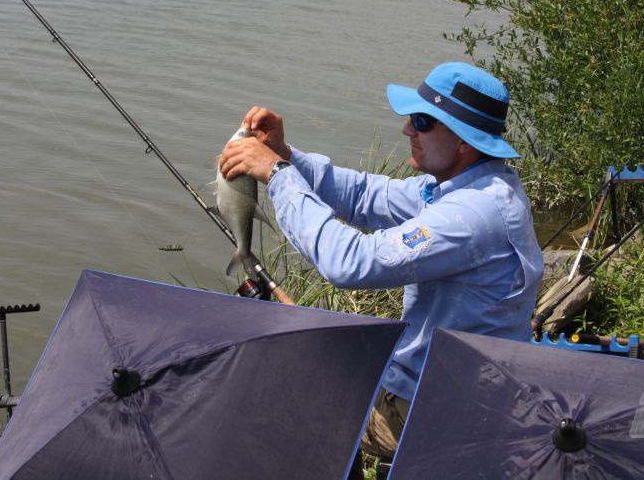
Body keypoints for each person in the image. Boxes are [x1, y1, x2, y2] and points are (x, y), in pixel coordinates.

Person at [219, 61, 543, 463]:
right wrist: (284, 155)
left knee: (269, 407)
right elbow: (363, 196)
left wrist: (278, 174)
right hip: (457, 387)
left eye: (422, 122)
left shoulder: (471, 216)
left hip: (434, 410)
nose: (408, 129)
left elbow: (349, 263)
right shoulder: (472, 184)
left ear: (464, 141)